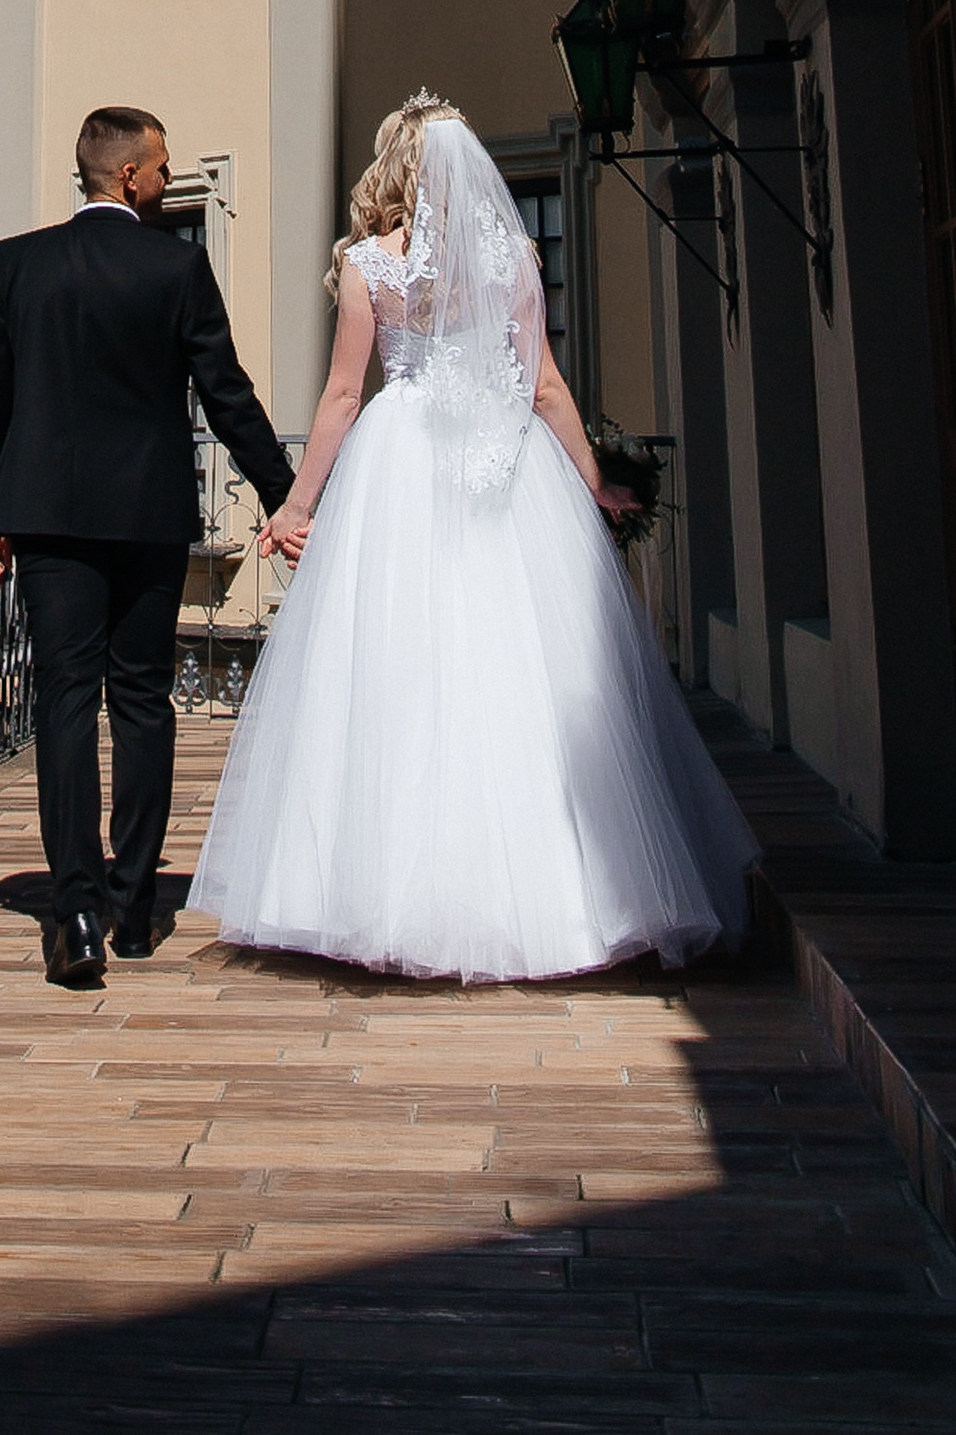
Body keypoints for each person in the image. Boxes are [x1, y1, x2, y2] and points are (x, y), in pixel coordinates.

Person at [191, 92, 757, 981]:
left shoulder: (373, 265)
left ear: (395, 166)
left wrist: (299, 505)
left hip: (400, 463)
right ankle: (566, 901)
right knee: (522, 666)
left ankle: (376, 896)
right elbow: (545, 388)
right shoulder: (515, 259)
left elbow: (342, 396)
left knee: (398, 673)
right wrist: (593, 482)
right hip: (505, 467)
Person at [0, 104, 295, 989]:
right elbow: (228, 394)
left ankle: (73, 909)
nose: (170, 179)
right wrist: (285, 496)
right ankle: (138, 903)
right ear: (126, 177)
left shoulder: (18, 262)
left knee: (64, 700)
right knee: (144, 700)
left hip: (44, 515)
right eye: (161, 166)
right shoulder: (177, 265)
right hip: (147, 515)